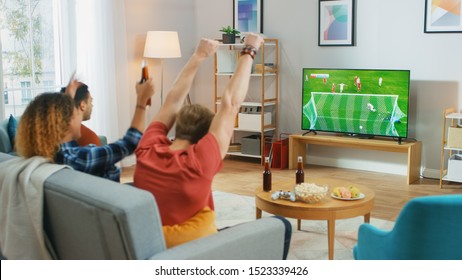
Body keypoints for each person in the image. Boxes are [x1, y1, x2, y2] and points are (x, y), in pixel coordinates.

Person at [133, 34, 266, 247]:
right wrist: (250, 49)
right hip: (192, 251)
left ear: (177, 125)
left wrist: (199, 55)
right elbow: (230, 103)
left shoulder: (147, 148)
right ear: (204, 138)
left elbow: (173, 99)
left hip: (149, 243)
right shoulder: (199, 162)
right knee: (280, 226)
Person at [16, 78, 155, 182]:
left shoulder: (49, 155)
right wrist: (142, 101)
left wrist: (68, 98)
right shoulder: (81, 159)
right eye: (72, 111)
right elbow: (130, 142)